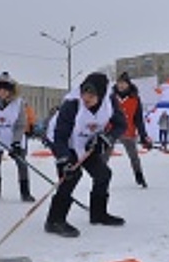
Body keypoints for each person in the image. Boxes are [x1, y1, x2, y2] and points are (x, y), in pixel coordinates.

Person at [44, 72, 127, 238]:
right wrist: (64, 159)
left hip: (87, 143)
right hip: (63, 141)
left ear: (101, 95)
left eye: (92, 94)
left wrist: (106, 138)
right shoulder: (72, 104)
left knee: (103, 175)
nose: (86, 98)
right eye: (84, 93)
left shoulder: (110, 102)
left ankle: (98, 214)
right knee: (71, 176)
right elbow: (60, 136)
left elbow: (121, 124)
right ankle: (54, 221)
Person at [0, 72, 35, 203]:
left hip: (14, 138)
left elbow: (21, 124)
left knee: (21, 164)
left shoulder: (18, 103)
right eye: (0, 89)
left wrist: (16, 142)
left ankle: (25, 193)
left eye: (6, 90)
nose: (3, 92)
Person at [108, 72, 153, 188]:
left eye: (123, 83)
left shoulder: (135, 99)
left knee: (134, 156)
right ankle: (101, 178)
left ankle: (139, 176)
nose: (121, 86)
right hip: (111, 131)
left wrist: (143, 136)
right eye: (119, 83)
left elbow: (138, 119)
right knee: (105, 156)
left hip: (129, 131)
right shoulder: (111, 98)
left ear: (128, 84)